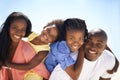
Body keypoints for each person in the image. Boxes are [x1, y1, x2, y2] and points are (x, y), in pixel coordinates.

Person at [49, 28, 118, 80]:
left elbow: (106, 77)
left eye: (99, 44)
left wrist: (116, 62)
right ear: (84, 42)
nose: (93, 47)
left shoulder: (109, 59)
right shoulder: (67, 64)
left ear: (104, 47)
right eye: (89, 41)